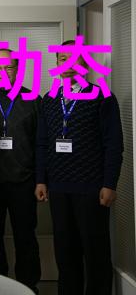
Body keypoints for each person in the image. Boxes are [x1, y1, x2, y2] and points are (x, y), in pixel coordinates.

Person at [35, 40, 123, 295]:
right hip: (58, 187)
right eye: (63, 59)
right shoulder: (49, 99)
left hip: (91, 188)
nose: (69, 64)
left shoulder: (102, 96)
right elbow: (42, 142)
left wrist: (110, 184)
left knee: (95, 253)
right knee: (65, 252)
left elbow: (113, 144)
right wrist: (41, 179)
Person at [0, 49, 41, 292]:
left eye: (8, 67)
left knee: (26, 238)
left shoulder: (33, 99)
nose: (2, 73)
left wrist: (41, 180)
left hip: (24, 182)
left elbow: (41, 143)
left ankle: (28, 286)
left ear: (18, 70)